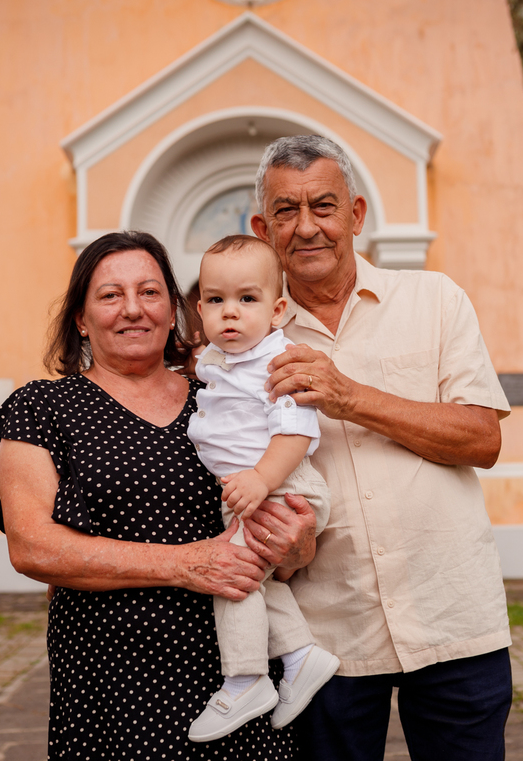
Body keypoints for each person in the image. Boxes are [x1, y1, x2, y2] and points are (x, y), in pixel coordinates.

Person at [0, 230, 315, 760]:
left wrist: (295, 547)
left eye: (150, 292)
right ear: (81, 317)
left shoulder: (224, 397)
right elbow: (32, 547)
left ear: (175, 310)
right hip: (112, 681)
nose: (132, 310)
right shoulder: (40, 408)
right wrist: (184, 564)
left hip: (238, 673)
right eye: (111, 295)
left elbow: (284, 529)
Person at [248, 135, 514, 760]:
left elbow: (482, 437)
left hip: (453, 619)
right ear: (263, 228)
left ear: (356, 215)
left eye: (324, 206)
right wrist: (275, 547)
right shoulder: (244, 342)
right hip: (322, 638)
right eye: (286, 211)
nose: (307, 227)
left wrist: (349, 397)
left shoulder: (435, 300)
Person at [185, 235, 339, 742]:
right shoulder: (216, 359)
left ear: (276, 310)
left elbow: (296, 432)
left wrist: (262, 479)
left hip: (281, 483)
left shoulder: (280, 360)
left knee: (231, 574)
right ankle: (299, 655)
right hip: (252, 490)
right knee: (259, 581)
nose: (230, 313)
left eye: (246, 300)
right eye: (216, 300)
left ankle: (246, 678)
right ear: (199, 306)